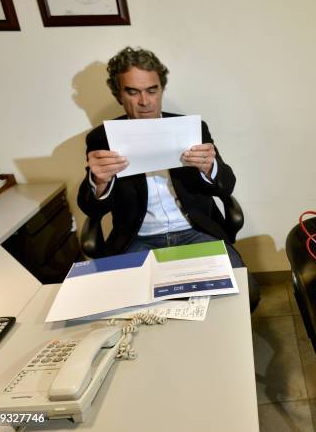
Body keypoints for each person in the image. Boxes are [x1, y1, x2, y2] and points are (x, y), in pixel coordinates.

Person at [77, 46, 260, 310]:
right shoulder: (101, 138)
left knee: (243, 297)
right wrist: (100, 182)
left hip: (195, 232)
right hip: (137, 240)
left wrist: (209, 168)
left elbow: (226, 185)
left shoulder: (192, 128)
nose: (145, 101)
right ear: (119, 94)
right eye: (133, 91)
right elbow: (90, 208)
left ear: (161, 89)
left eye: (152, 90)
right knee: (122, 308)